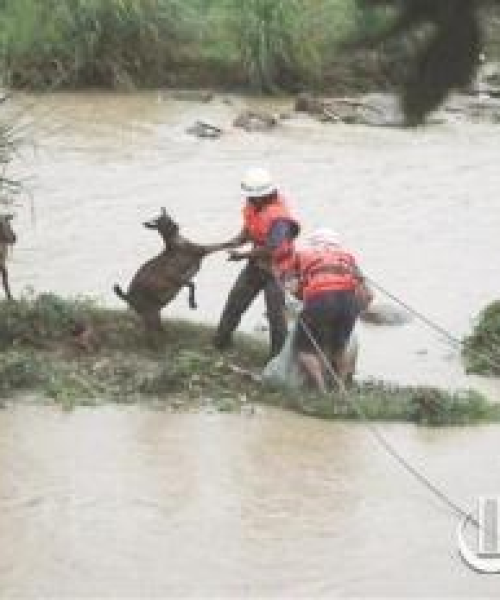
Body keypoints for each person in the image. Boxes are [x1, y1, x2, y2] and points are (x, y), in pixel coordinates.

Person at [213, 167, 300, 357]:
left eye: (251, 196)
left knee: (275, 315)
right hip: (256, 264)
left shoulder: (280, 218)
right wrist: (234, 241)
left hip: (278, 270)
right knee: (235, 302)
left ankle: (276, 357)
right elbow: (248, 230)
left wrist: (242, 256)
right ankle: (220, 343)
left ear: (264, 195)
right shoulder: (254, 206)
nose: (248, 199)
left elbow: (271, 248)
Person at [289, 228, 371, 392]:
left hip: (320, 299)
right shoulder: (347, 258)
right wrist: (356, 310)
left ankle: (322, 390)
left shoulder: (302, 255)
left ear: (313, 244)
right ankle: (340, 388)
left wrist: (302, 296)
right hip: (348, 301)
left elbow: (295, 289)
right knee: (340, 348)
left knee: (304, 349)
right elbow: (368, 295)